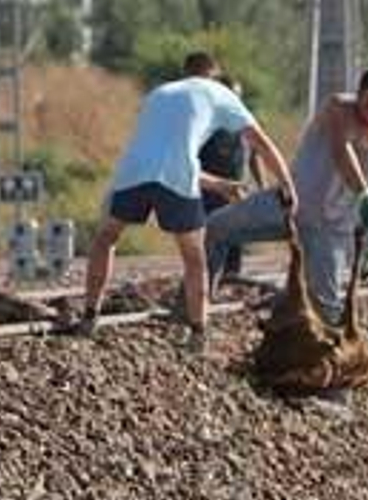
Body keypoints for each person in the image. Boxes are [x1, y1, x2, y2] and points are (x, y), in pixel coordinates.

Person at [74, 51, 296, 351]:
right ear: (214, 75)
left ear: (187, 72)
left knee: (105, 239)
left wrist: (219, 185)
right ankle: (198, 333)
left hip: (133, 171)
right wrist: (287, 184)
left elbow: (159, 157)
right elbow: (261, 143)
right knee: (195, 259)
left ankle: (89, 316)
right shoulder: (220, 93)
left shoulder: (159, 93)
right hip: (177, 176)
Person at [205, 67, 368, 326]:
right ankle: (195, 306)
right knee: (216, 227)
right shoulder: (338, 108)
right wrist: (363, 192)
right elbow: (341, 151)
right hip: (289, 204)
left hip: (329, 229)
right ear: (358, 97)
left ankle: (314, 349)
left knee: (326, 309)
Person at [198, 76, 260, 280]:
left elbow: (256, 154)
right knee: (208, 233)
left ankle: (231, 275)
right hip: (209, 188)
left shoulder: (245, 120)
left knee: (236, 233)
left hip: (237, 187)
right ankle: (206, 275)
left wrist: (262, 186)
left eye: (237, 95)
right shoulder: (205, 120)